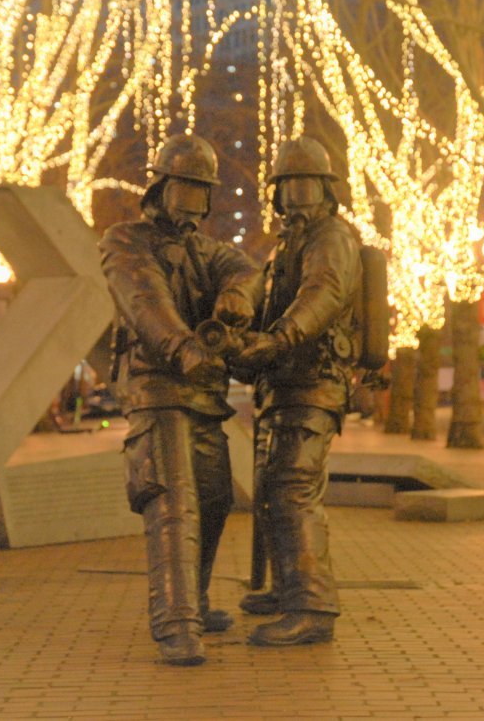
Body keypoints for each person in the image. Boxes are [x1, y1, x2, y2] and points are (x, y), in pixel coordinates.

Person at [98, 133, 263, 666]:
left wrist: (237, 293)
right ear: (160, 188)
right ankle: (176, 622)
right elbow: (144, 298)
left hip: (204, 392)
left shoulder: (208, 252)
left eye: (200, 191)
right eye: (183, 188)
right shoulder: (125, 240)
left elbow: (244, 268)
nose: (191, 201)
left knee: (214, 499)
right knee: (174, 501)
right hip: (157, 386)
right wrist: (183, 348)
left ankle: (196, 599)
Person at [235, 136, 363, 646]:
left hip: (315, 382)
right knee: (272, 488)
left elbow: (323, 293)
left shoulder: (332, 237)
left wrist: (280, 337)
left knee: (292, 488)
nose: (295, 200)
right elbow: (270, 298)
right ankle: (288, 588)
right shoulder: (288, 246)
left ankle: (312, 607)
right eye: (287, 189)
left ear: (326, 191)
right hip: (286, 382)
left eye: (305, 187)